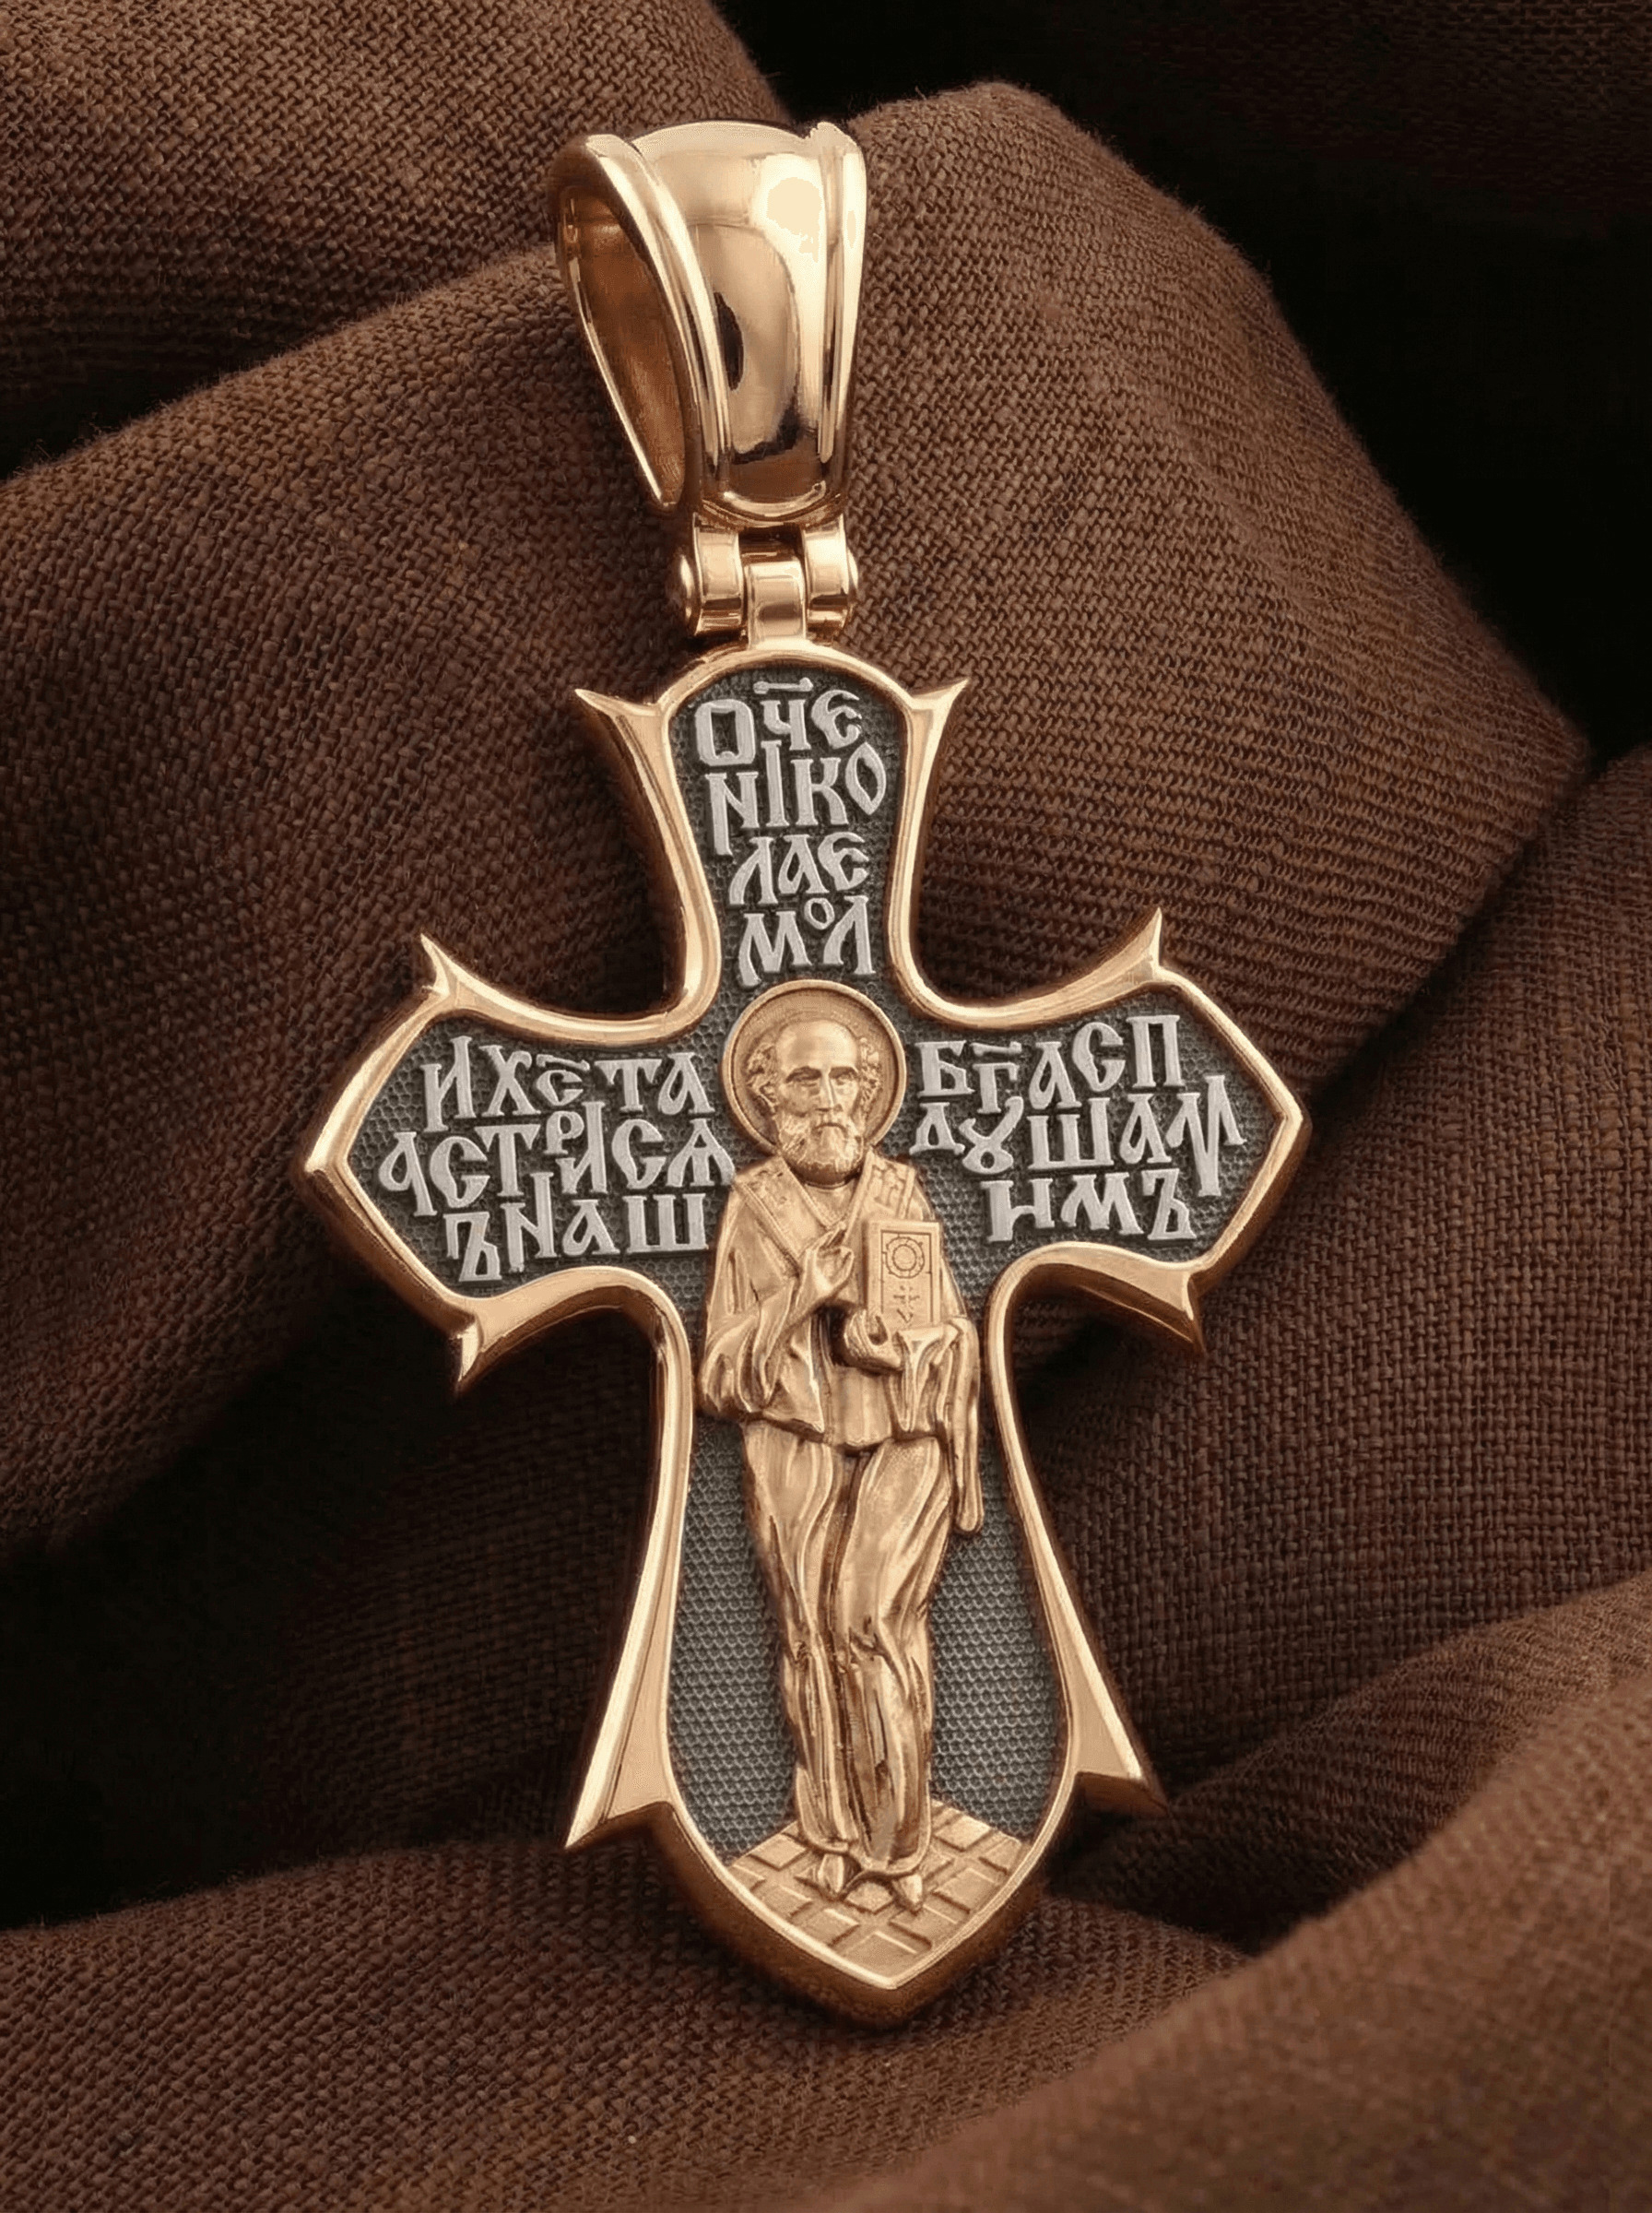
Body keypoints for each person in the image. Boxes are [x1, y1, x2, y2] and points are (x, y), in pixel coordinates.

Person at [700, 988, 981, 1909]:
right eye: (803, 1081)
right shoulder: (754, 1207)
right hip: (795, 1441)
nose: (826, 1099)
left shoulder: (898, 1194)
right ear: (769, 1097)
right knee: (808, 1633)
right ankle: (830, 1833)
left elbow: (947, 1331)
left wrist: (897, 1346)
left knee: (872, 1623)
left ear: (866, 1090)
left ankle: (899, 1846)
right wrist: (803, 1297)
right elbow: (720, 1374)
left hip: (904, 1436)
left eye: (840, 1080)